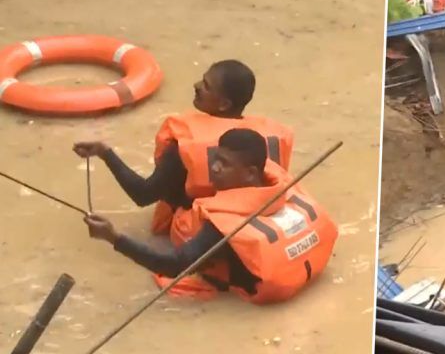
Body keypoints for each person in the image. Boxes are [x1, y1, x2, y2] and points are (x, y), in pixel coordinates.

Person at [83, 129, 338, 303]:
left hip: (249, 293)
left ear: (250, 173)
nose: (213, 168)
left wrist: (113, 237)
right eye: (215, 159)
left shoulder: (221, 226)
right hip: (296, 264)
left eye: (224, 164)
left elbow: (174, 265)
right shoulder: (280, 184)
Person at [73, 60, 294, 244]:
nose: (197, 85)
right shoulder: (260, 140)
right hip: (249, 227)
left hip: (203, 235)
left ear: (224, 104)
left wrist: (106, 153)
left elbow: (142, 195)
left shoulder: (185, 147)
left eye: (206, 86)